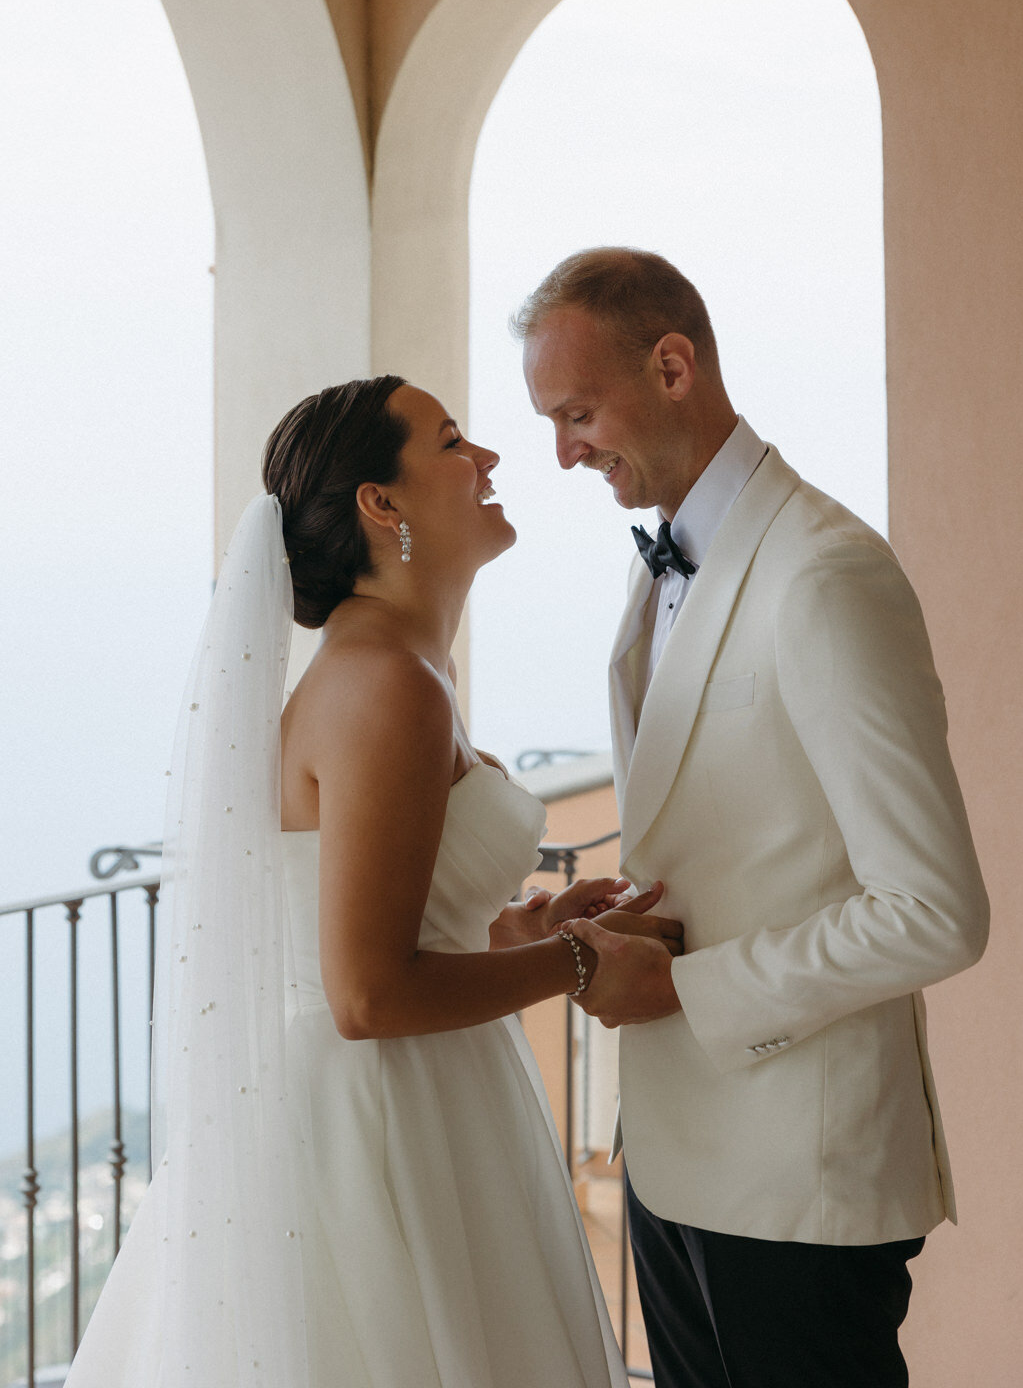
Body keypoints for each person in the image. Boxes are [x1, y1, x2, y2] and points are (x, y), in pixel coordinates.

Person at [65, 374, 683, 1388]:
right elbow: (365, 993)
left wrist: (521, 931)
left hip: (422, 1093)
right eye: (450, 442)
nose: (485, 459)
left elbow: (390, 931)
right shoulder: (383, 681)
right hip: (374, 1127)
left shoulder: (398, 663)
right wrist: (576, 965)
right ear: (379, 503)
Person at [518, 248, 990, 1388]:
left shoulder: (824, 575)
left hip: (797, 1180)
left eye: (577, 412)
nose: (562, 451)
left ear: (672, 365)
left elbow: (934, 912)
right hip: (675, 1161)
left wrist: (682, 986)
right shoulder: (661, 569)